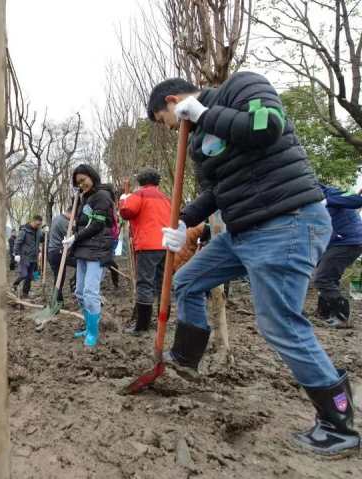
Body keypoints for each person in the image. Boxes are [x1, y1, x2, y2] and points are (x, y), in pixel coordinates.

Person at [148, 73, 359, 455]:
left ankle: (338, 422)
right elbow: (215, 191)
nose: (174, 128)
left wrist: (205, 113)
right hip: (242, 231)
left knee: (278, 323)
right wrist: (184, 222)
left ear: (174, 101)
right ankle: (185, 359)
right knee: (188, 280)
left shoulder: (242, 87)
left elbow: (266, 126)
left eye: (168, 120)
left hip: (287, 220)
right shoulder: (196, 140)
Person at [63, 164, 114, 348]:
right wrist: (73, 236)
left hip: (98, 248)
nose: (82, 184)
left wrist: (75, 236)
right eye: (78, 183)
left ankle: (93, 333)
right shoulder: (85, 198)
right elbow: (82, 223)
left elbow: (97, 225)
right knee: (79, 292)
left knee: (90, 293)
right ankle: (88, 326)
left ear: (92, 176)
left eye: (83, 180)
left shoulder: (102, 196)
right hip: (84, 248)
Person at [119, 168, 171, 333]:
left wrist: (123, 200)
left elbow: (127, 212)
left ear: (141, 181)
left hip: (147, 245)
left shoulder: (139, 195)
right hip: (167, 244)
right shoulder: (166, 198)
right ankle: (163, 320)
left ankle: (142, 326)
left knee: (144, 283)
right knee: (164, 283)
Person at [314, 184, 362, 328]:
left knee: (323, 278)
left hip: (349, 241)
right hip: (333, 243)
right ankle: (324, 312)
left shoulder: (333, 192)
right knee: (326, 274)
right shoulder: (304, 201)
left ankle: (342, 317)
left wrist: (327, 201)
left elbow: (357, 200)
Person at [47, 206, 76, 304]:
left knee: (59, 278)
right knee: (80, 263)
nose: (74, 218)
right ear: (70, 213)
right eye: (74, 215)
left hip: (52, 252)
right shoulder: (63, 221)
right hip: (58, 252)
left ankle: (58, 300)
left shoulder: (57, 218)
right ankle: (73, 283)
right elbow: (70, 235)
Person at [12, 215, 43, 299]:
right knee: (24, 274)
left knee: (29, 277)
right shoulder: (24, 231)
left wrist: (46, 231)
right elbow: (17, 242)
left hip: (33, 257)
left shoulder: (38, 231)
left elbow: (42, 239)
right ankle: (14, 284)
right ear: (32, 221)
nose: (38, 226)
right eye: (37, 224)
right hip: (24, 256)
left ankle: (25, 293)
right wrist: (16, 253)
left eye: (40, 225)